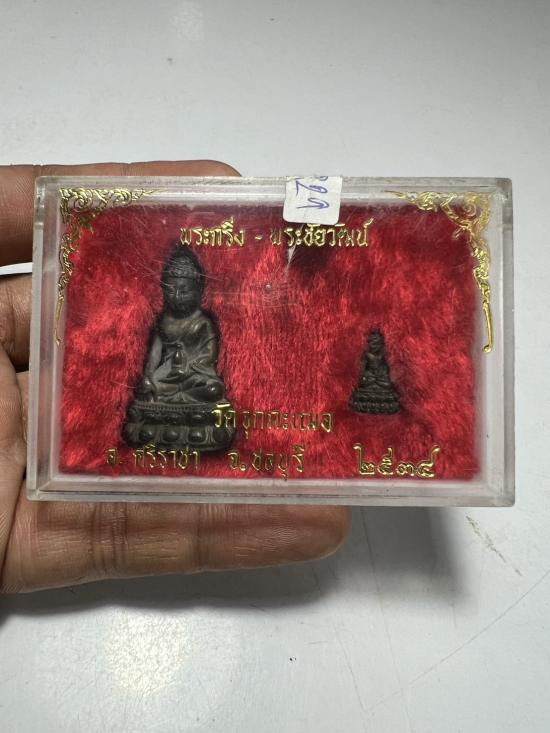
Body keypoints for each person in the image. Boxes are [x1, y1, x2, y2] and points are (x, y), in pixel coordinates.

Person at [0, 160, 349, 593]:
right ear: (163, 287)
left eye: (185, 289)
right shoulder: (163, 321)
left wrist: (191, 371)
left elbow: (208, 365)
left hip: (194, 387)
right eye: (171, 288)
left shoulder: (202, 322)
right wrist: (153, 380)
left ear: (199, 289)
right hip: (166, 389)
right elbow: (152, 363)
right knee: (145, 398)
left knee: (211, 390)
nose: (177, 295)